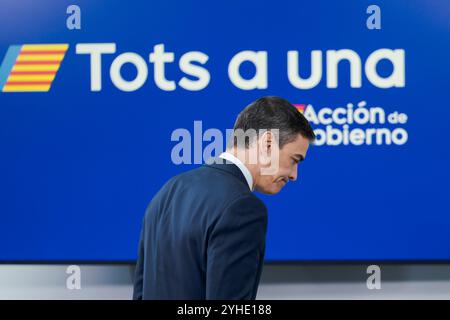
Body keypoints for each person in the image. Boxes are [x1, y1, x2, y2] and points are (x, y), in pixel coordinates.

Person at [133, 96, 315, 300]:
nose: (294, 175)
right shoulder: (243, 208)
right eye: (294, 160)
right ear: (268, 144)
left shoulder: (167, 192)